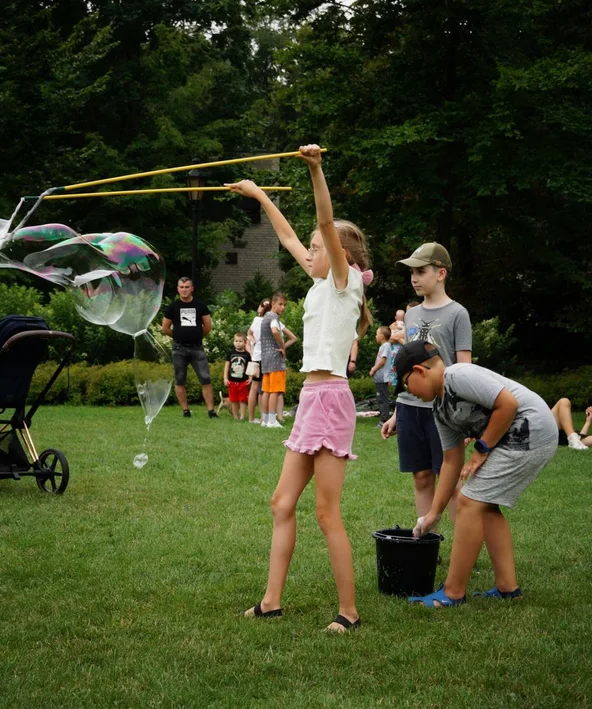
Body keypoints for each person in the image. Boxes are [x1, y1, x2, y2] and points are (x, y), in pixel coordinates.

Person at [228, 143, 373, 632]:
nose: (307, 252)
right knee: (282, 503)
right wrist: (257, 194)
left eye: (316, 248)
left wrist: (316, 170)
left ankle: (349, 612)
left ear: (339, 256)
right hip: (311, 398)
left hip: (331, 399)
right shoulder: (317, 284)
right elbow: (289, 233)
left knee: (326, 513)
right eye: (310, 248)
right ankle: (272, 601)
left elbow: (324, 225)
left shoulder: (342, 279)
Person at [398, 341, 556, 607]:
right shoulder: (440, 408)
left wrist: (482, 448)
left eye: (405, 384)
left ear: (419, 370)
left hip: (531, 429)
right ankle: (508, 587)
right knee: (485, 505)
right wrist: (433, 513)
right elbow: (451, 460)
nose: (409, 393)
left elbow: (508, 404)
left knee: (469, 502)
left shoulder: (459, 375)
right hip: (517, 435)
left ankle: (452, 593)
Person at [381, 245, 473, 524]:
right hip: (410, 409)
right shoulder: (410, 315)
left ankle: (462, 552)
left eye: (421, 271)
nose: (414, 278)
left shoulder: (458, 314)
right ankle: (427, 544)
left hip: (443, 411)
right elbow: (408, 370)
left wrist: (465, 418)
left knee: (451, 481)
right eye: (411, 273)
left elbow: (464, 370)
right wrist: (398, 411)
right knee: (421, 477)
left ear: (441, 273)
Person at [161, 277, 216, 418]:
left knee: (205, 378)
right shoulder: (173, 307)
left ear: (192, 288)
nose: (184, 289)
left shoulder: (200, 305)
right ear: (178, 289)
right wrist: (178, 336)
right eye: (182, 287)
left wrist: (196, 336)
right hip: (179, 349)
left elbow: (207, 327)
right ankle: (185, 411)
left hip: (197, 348)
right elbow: (165, 328)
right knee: (180, 379)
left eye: (187, 287)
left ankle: (211, 411)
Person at [257, 293, 297, 428]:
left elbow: (293, 337)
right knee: (275, 390)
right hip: (275, 359)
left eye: (285, 305)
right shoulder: (274, 318)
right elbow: (275, 331)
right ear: (273, 304)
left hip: (266, 358)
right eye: (280, 304)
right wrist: (282, 347)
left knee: (266, 391)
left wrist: (282, 346)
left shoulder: (265, 318)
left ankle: (265, 419)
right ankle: (272, 421)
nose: (283, 307)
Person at [247, 300, 271, 423]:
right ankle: (263, 417)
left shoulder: (256, 320)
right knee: (264, 388)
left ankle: (253, 418)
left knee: (254, 388)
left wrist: (253, 341)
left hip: (256, 357)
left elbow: (249, 332)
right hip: (265, 358)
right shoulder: (271, 321)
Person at [224, 332, 252, 421]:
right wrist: (225, 378)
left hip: (243, 381)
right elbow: (227, 366)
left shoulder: (247, 355)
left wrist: (250, 377)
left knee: (243, 400)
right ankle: (235, 416)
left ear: (245, 342)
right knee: (234, 400)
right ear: (233, 342)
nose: (238, 343)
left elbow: (249, 367)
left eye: (240, 341)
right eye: (236, 341)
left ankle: (242, 416)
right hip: (232, 381)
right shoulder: (231, 353)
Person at [369, 326, 395, 423]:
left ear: (382, 336)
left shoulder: (386, 346)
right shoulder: (384, 346)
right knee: (380, 398)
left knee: (382, 399)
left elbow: (382, 361)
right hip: (379, 378)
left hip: (382, 377)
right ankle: (383, 416)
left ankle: (384, 420)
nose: (375, 336)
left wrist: (373, 369)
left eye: (377, 334)